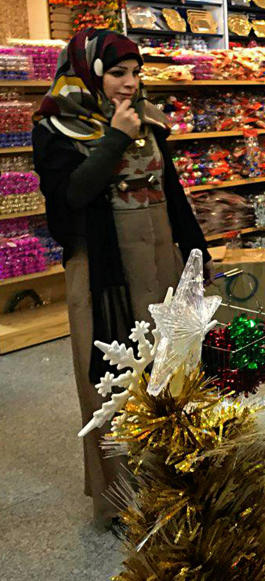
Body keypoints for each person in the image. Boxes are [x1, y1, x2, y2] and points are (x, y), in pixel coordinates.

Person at [32, 29, 209, 528]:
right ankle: (124, 499)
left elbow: (170, 190)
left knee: (171, 367)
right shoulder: (57, 126)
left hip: (159, 256)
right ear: (89, 72)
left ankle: (178, 481)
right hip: (104, 271)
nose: (129, 83)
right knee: (113, 379)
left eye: (136, 73)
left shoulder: (149, 120)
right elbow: (71, 198)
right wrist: (113, 137)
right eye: (117, 73)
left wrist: (196, 252)